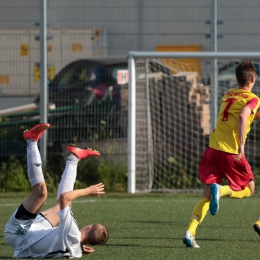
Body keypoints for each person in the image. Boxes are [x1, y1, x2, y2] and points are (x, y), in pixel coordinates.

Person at [182, 60, 260, 248]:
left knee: (206, 196)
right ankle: (223, 190)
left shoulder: (228, 94)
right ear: (252, 79)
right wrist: (241, 146)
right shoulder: (253, 99)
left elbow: (246, 114)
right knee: (250, 188)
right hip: (231, 152)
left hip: (212, 150)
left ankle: (190, 232)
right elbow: (243, 115)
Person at [4, 123, 109, 258]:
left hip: (18, 234)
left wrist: (88, 190)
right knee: (63, 207)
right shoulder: (76, 253)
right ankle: (73, 157)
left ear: (88, 227)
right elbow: (73, 242)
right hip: (31, 234)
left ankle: (31, 140)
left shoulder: (73, 234)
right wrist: (80, 247)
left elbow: (65, 197)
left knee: (42, 192)